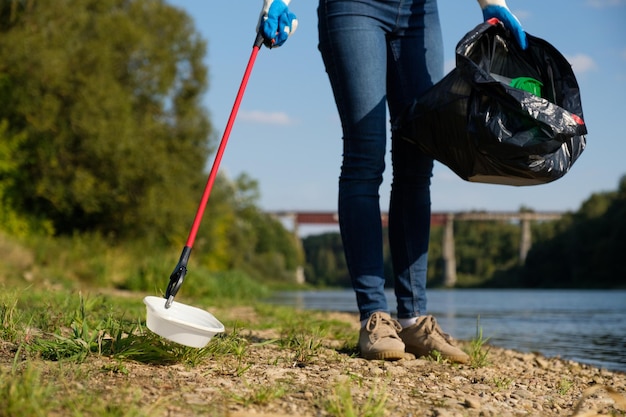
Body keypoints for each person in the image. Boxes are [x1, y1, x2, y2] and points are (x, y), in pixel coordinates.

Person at [259, 0, 527, 362]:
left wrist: (493, 3)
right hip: (353, 8)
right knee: (365, 156)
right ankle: (374, 315)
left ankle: (414, 320)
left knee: (418, 157)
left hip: (419, 14)